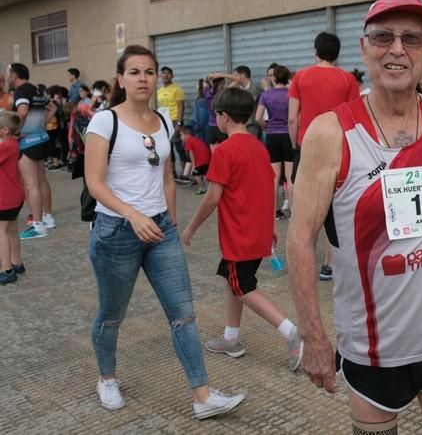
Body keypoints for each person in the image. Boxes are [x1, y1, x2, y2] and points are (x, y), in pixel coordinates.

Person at [287, 0, 422, 435]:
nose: (397, 49)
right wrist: (313, 337)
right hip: (376, 346)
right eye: (383, 37)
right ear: (364, 49)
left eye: (412, 39)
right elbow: (300, 239)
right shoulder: (331, 132)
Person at [84, 44, 245, 419]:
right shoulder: (104, 122)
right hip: (115, 231)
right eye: (135, 72)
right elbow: (95, 182)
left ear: (158, 77)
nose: (143, 79)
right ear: (121, 78)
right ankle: (107, 377)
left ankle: (202, 397)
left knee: (183, 313)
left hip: (159, 230)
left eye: (149, 72)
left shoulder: (164, 121)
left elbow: (168, 176)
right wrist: (131, 214)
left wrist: (168, 219)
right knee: (112, 313)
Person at [181, 88, 303, 370]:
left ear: (223, 117)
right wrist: (270, 225)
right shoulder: (258, 146)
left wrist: (191, 228)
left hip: (239, 235)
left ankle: (291, 332)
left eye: (216, 115)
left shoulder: (224, 151)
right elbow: (268, 188)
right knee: (231, 279)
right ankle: (231, 337)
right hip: (255, 230)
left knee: (242, 286)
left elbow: (212, 197)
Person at [288, 31, 360, 281]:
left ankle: (302, 261)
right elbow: (354, 117)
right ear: (337, 53)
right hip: (340, 148)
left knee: (305, 209)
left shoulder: (301, 76)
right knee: (336, 209)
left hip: (307, 148)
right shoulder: (348, 79)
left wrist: (295, 144)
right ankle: (329, 266)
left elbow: (292, 117)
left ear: (315, 50)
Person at [9, 63, 56, 239]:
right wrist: (41, 124)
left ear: (14, 75)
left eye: (9, 74)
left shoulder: (21, 91)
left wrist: (16, 131)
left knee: (31, 184)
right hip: (42, 138)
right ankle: (48, 217)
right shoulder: (37, 90)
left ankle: (37, 225)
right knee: (42, 181)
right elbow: (53, 108)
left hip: (27, 142)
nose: (7, 77)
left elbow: (22, 111)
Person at [256, 65, 294, 216]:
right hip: (288, 135)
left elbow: (258, 118)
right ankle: (293, 211)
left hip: (272, 135)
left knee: (274, 176)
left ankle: (274, 211)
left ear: (274, 78)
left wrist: (266, 127)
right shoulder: (291, 93)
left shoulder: (266, 95)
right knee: (290, 177)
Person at [0, 111, 25, 285]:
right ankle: (17, 262)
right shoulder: (13, 143)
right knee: (12, 230)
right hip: (15, 195)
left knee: (1, 232)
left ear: (5, 130)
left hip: (4, 198)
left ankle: (6, 269)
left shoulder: (5, 146)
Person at [157, 66, 187, 177]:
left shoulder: (177, 89)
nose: (165, 75)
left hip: (175, 121)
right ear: (160, 76)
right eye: (163, 73)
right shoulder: (159, 91)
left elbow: (181, 107)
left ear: (172, 76)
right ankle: (172, 172)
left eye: (168, 73)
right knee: (167, 147)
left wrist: (179, 123)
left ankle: (185, 173)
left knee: (179, 147)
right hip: (164, 121)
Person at [180, 127, 211, 195]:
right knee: (204, 173)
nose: (180, 137)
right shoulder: (195, 139)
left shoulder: (188, 141)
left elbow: (191, 154)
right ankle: (207, 187)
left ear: (187, 135)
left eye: (181, 135)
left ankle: (202, 188)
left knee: (195, 173)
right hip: (207, 158)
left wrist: (194, 165)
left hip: (201, 159)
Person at [203, 76, 227, 150]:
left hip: (211, 127)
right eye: (224, 83)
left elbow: (204, 82)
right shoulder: (223, 93)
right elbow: (237, 80)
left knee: (214, 155)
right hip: (221, 127)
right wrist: (221, 74)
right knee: (225, 153)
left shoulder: (206, 92)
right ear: (222, 83)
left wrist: (209, 78)